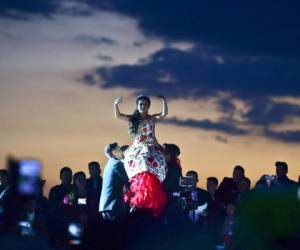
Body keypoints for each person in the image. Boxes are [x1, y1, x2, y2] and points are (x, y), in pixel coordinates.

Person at [114, 95, 168, 216]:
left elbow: (163, 114)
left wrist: (164, 101)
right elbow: (118, 115)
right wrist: (116, 104)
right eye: (140, 104)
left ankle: (150, 199)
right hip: (138, 147)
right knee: (143, 162)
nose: (142, 106)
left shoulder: (152, 118)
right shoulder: (133, 119)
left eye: (145, 104)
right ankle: (137, 200)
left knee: (158, 163)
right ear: (137, 106)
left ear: (148, 106)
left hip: (151, 145)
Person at [99, 143, 129, 220]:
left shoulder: (109, 163)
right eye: (118, 149)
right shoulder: (117, 164)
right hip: (113, 206)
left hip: (107, 206)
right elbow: (128, 180)